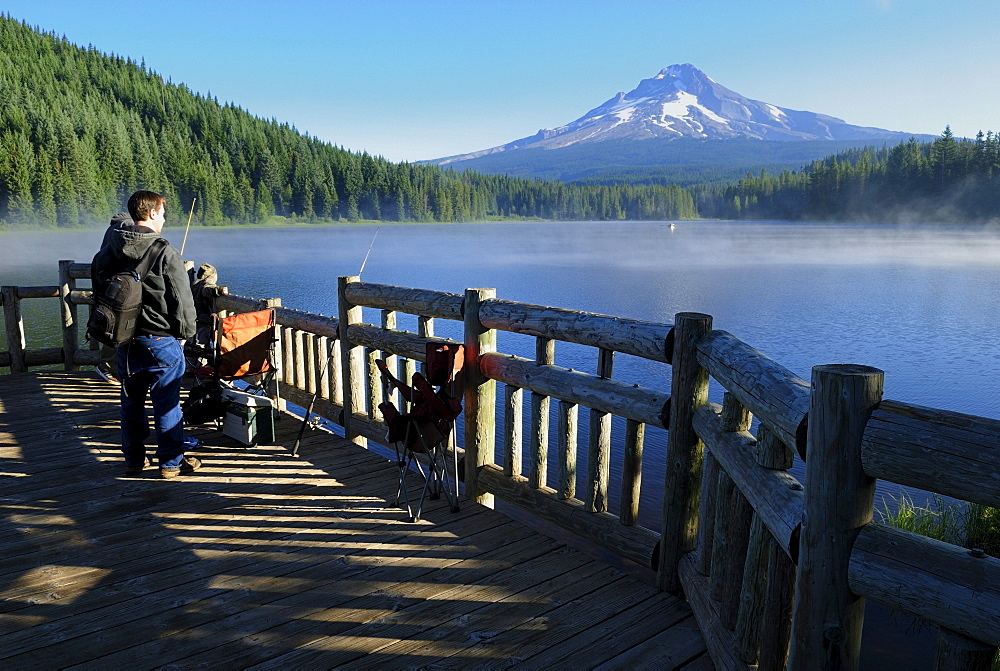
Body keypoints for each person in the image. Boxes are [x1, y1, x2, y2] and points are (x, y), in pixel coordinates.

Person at [91, 190, 201, 479]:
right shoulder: (165, 250)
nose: (165, 218)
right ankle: (170, 464)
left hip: (124, 339)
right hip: (161, 339)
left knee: (131, 402)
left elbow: (99, 287)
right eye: (163, 213)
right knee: (167, 404)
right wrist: (186, 333)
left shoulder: (110, 248)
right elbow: (183, 300)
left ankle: (134, 461)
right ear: (151, 213)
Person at [95, 212, 134, 385]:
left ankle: (112, 367)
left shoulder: (112, 229)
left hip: (109, 284)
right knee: (117, 328)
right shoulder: (124, 228)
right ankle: (107, 368)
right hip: (118, 286)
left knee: (113, 326)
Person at [187, 263, 228, 371]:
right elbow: (207, 290)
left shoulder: (194, 284)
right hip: (203, 320)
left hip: (193, 319)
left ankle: (191, 369)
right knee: (201, 345)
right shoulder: (206, 283)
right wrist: (218, 290)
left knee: (194, 345)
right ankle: (198, 369)